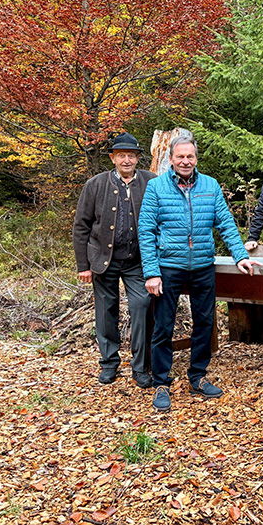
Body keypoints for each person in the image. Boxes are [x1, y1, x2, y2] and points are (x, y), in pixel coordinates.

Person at [138, 132, 260, 412]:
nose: (185, 161)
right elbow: (145, 232)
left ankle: (198, 376)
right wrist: (151, 272)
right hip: (168, 267)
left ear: (196, 158)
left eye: (189, 156)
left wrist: (240, 256)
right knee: (163, 325)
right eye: (179, 156)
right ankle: (161, 383)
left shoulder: (210, 185)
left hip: (203, 265)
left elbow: (226, 224)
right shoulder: (156, 188)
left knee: (205, 323)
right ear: (170, 159)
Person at [72, 132, 155, 388]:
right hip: (102, 259)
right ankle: (109, 364)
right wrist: (83, 266)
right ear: (113, 158)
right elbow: (81, 226)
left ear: (138, 158)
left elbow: (164, 218)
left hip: (137, 260)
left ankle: (141, 367)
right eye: (121, 156)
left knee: (142, 307)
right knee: (106, 311)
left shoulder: (151, 182)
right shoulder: (95, 184)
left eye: (131, 155)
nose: (127, 160)